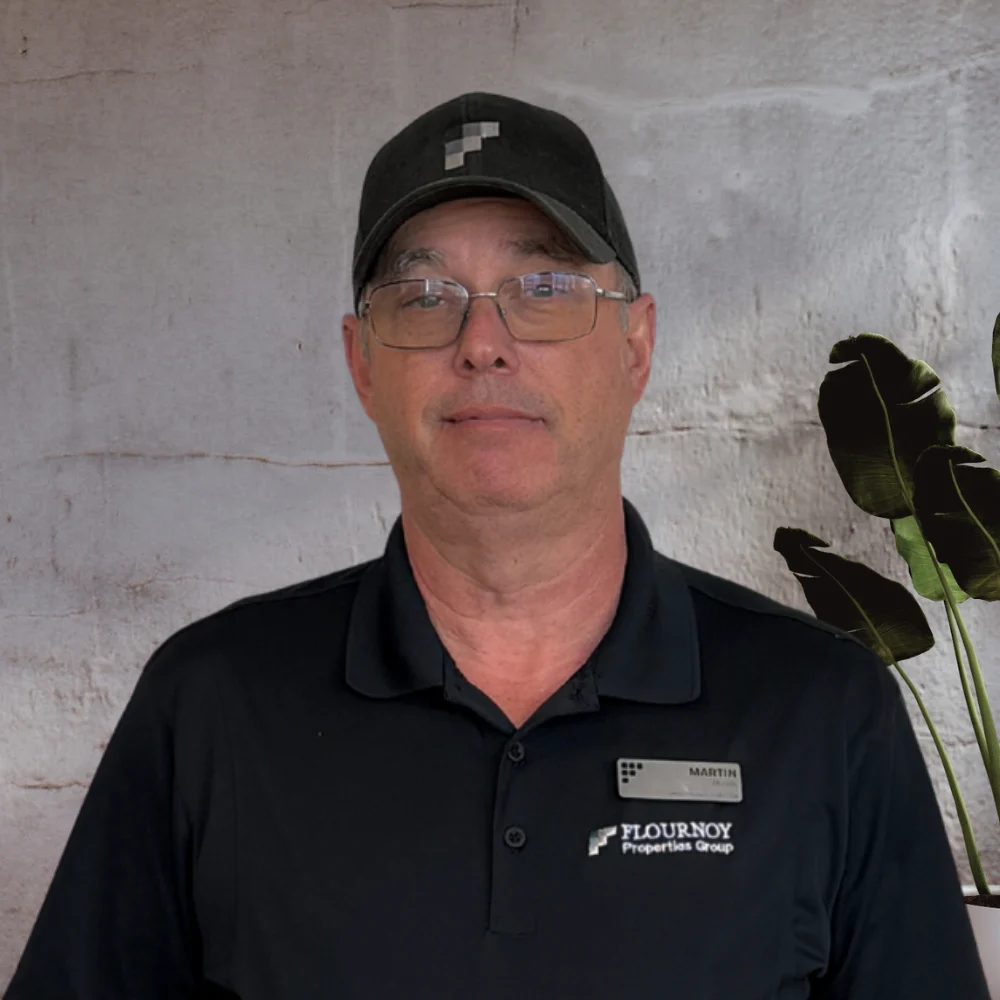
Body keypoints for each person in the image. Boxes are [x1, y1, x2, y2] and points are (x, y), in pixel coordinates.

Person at [4, 92, 988, 1000]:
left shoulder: (821, 710)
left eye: (545, 286)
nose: (481, 340)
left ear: (635, 347)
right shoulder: (211, 705)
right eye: (424, 297)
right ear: (360, 362)